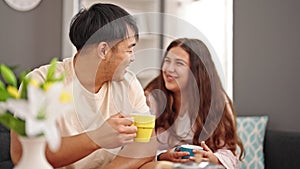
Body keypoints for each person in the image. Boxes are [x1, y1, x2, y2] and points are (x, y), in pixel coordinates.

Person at [10, 3, 156, 169]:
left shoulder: (128, 83)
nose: (133, 58)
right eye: (129, 50)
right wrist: (96, 138)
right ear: (103, 50)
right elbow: (20, 154)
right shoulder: (41, 82)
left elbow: (147, 142)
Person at [143, 38, 244, 169]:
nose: (169, 69)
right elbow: (138, 149)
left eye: (179, 63)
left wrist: (212, 158)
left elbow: (230, 153)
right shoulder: (152, 99)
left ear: (196, 71)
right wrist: (163, 156)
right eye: (167, 61)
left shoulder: (218, 101)